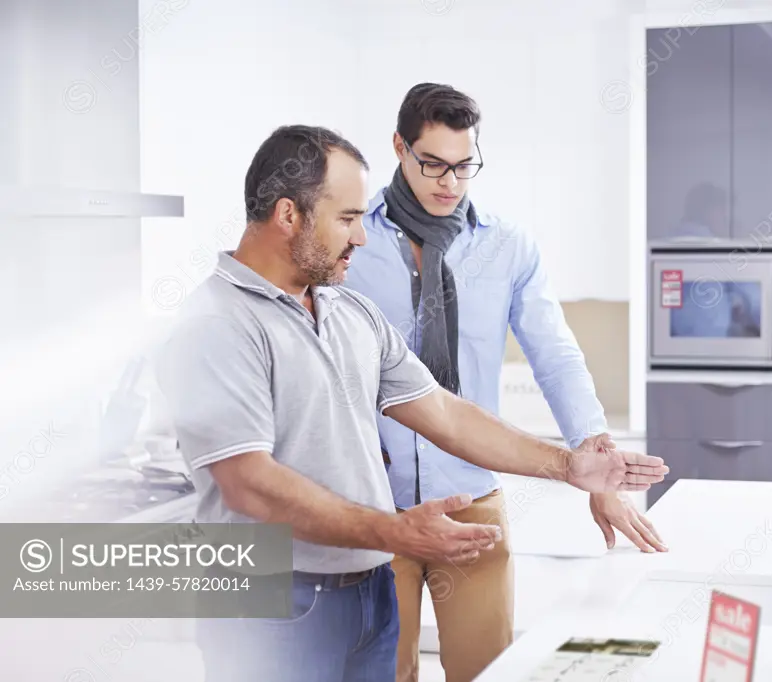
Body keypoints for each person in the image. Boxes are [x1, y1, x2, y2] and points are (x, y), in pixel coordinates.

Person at [151, 124, 669, 682]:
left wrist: (569, 465)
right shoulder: (216, 324)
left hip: (368, 596)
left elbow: (444, 414)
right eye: (347, 219)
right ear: (288, 215)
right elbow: (246, 482)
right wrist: (391, 532)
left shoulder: (351, 314)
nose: (363, 236)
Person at [343, 83, 669, 682]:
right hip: (369, 499)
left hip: (471, 498)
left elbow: (555, 353)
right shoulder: (350, 242)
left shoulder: (508, 245)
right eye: (433, 164)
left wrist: (594, 459)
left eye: (464, 166)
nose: (450, 182)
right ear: (399, 148)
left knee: (487, 671)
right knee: (384, 673)